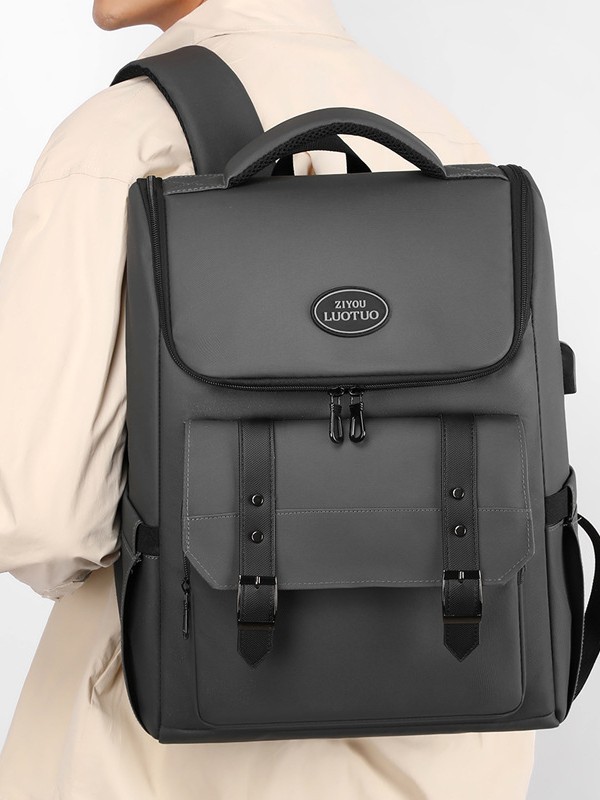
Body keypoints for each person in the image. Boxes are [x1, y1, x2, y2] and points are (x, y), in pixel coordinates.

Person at [0, 1, 536, 798]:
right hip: (446, 751)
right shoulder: (445, 134)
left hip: (172, 758)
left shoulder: (128, 137)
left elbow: (40, 516)